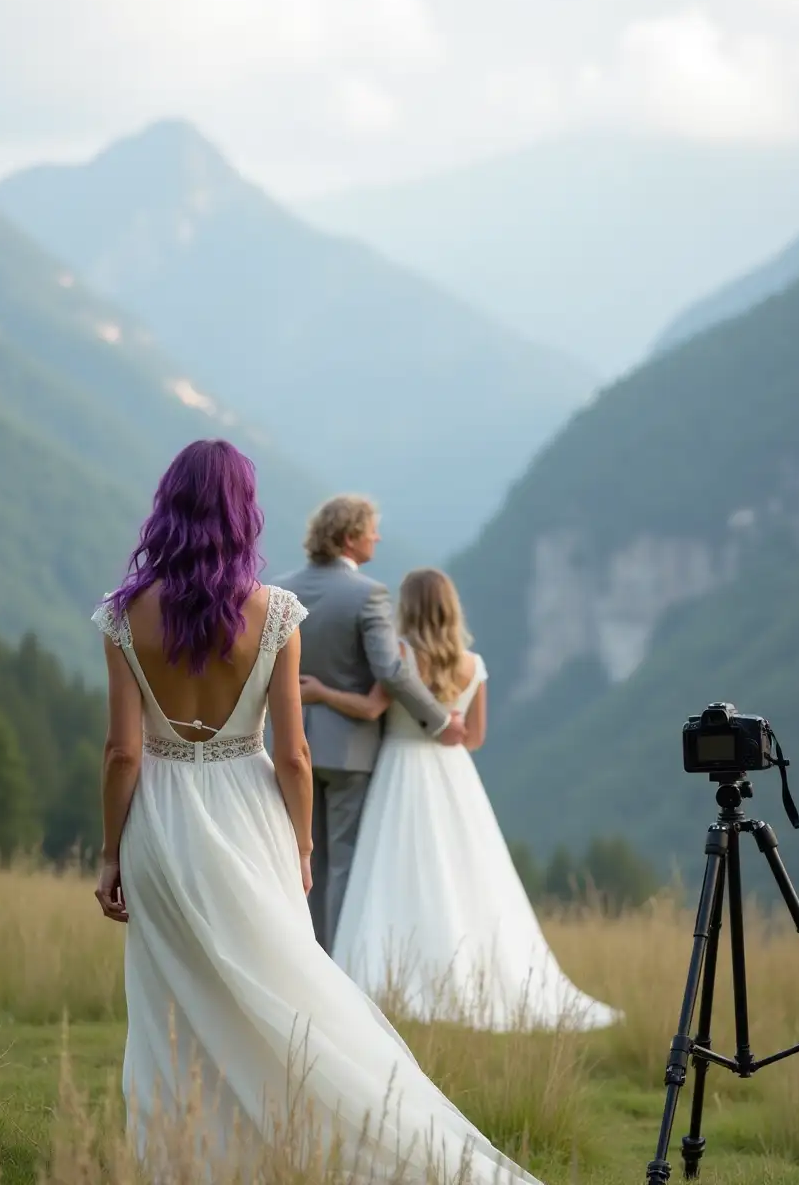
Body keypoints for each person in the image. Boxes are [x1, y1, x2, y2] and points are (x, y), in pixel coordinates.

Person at [92, 440, 539, 1183]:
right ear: (244, 513)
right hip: (249, 810)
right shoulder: (274, 615)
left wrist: (112, 853)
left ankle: (181, 1159)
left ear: (167, 505)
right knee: (286, 983)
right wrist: (300, 846)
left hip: (160, 823)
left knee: (171, 996)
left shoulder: (122, 616)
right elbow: (295, 754)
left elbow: (122, 754)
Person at [300, 568, 621, 1033]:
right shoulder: (475, 664)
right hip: (453, 777)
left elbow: (371, 709)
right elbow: (473, 738)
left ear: (407, 607)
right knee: (462, 872)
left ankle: (382, 978)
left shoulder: (403, 654)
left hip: (399, 770)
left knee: (396, 872)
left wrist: (322, 692)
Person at [274, 497, 465, 954]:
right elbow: (392, 671)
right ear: (349, 537)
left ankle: (301, 956)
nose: (377, 537)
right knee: (343, 865)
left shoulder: (277, 590)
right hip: (349, 751)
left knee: (301, 859)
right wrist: (439, 720)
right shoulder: (368, 595)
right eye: (371, 530)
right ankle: (337, 964)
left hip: (286, 744)